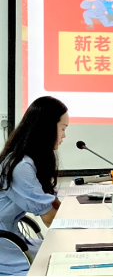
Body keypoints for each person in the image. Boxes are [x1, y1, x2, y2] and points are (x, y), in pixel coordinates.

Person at [0, 96, 68, 276]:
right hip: (5, 248)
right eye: (63, 128)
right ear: (47, 128)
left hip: (13, 239)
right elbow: (49, 218)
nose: (64, 136)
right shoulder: (20, 167)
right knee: (62, 262)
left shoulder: (28, 161)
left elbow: (51, 204)